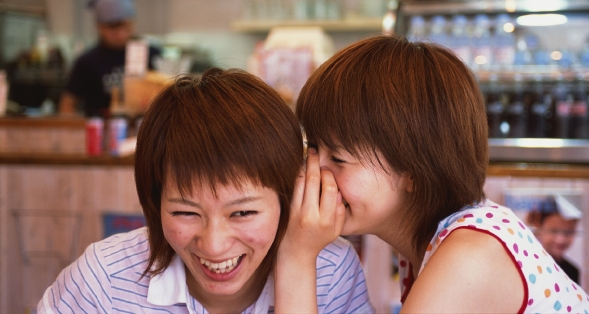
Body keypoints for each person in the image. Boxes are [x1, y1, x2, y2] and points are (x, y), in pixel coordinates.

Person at [290, 36, 589, 313]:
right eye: (314, 148)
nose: (314, 171)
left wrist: (296, 255)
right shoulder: (433, 241)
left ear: (414, 170)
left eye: (340, 159)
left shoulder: (469, 255)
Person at [38, 67, 373, 313]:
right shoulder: (104, 280)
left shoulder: (330, 274)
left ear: (291, 196)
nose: (213, 245)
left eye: (243, 212)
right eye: (185, 212)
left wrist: (296, 264)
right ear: (155, 204)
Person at [58, 0, 161, 117]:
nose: (119, 34)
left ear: (132, 24)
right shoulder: (87, 61)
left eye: (124, 26)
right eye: (111, 28)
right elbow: (68, 102)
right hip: (100, 131)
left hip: (145, 130)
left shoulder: (151, 54)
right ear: (99, 27)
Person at [527, 195, 582, 284]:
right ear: (538, 228)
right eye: (553, 231)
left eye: (568, 232)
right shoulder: (528, 265)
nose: (560, 239)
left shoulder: (573, 271)